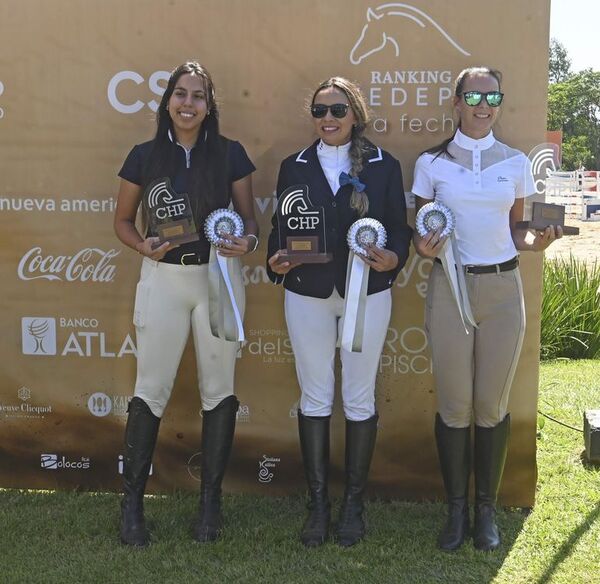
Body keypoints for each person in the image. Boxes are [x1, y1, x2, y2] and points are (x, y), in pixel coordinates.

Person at [411, 66, 562, 552]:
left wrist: (537, 242)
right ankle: (456, 511)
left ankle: (486, 512)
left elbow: (517, 231)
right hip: (450, 288)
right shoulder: (430, 163)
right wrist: (425, 247)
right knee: (455, 405)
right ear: (456, 101)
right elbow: (420, 236)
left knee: (491, 406)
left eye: (492, 94)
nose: (483, 102)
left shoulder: (516, 162)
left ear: (499, 102)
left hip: (501, 291)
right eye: (473, 93)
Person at [114, 61, 258, 546]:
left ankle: (210, 505)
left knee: (219, 390)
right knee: (149, 388)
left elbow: (249, 223)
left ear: (209, 105)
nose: (188, 103)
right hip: (164, 278)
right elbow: (123, 221)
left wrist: (247, 243)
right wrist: (140, 246)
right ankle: (131, 506)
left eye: (198, 96)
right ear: (167, 101)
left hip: (219, 277)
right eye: (181, 94)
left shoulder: (232, 154)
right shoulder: (144, 155)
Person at [267, 77, 412, 547]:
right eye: (319, 110)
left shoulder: (383, 165)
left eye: (337, 110)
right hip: (307, 291)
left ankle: (353, 504)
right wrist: (275, 259)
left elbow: (397, 226)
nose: (327, 118)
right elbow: (281, 228)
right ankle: (318, 506)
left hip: (366, 292)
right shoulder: (294, 166)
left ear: (355, 115)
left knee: (359, 397)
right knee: (314, 397)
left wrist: (395, 257)